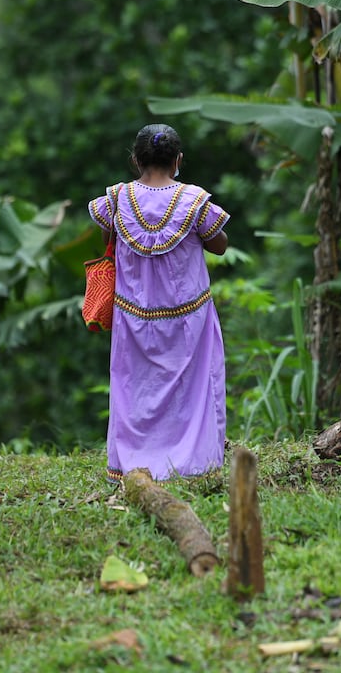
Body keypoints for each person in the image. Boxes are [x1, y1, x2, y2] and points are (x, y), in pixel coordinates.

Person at [88, 123, 230, 483]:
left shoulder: (116, 199)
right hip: (189, 317)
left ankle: (133, 464)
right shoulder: (194, 201)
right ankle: (193, 463)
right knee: (193, 390)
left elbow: (107, 238)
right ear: (178, 160)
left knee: (133, 389)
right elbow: (220, 245)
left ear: (135, 161)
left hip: (132, 316)